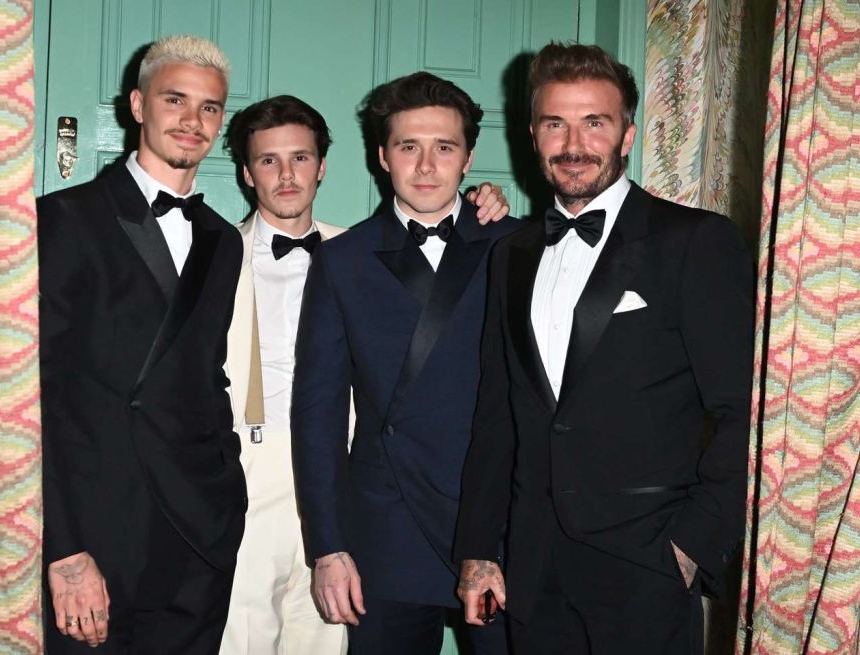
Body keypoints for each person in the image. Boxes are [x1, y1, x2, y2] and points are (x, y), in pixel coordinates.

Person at [454, 42, 754, 655]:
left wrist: (692, 547)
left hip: (648, 567)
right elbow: (497, 414)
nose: (574, 144)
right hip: (534, 570)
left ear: (628, 135)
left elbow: (741, 410)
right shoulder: (511, 256)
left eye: (595, 122)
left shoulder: (694, 242)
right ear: (532, 136)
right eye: (555, 123)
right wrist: (479, 550)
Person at [219, 94, 511, 655]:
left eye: (444, 147)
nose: (425, 166)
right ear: (382, 156)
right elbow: (319, 409)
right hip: (385, 526)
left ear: (469, 157)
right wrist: (330, 545)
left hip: (495, 522)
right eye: (408, 147)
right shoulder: (344, 257)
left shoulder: (513, 243)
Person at [38, 35, 246, 654]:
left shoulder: (222, 240)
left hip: (199, 536)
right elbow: (36, 394)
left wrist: (226, 496)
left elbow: (207, 372)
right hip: (98, 534)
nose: (192, 120)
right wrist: (65, 551)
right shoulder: (64, 219)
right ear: (137, 105)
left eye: (209, 107)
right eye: (175, 99)